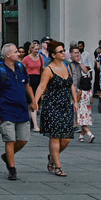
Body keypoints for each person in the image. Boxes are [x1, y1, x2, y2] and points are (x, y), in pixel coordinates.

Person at [0, 44, 34, 180]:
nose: (18, 54)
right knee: (10, 139)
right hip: (6, 110)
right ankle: (12, 169)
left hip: (22, 109)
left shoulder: (21, 67)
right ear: (8, 55)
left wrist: (33, 100)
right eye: (15, 52)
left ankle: (7, 156)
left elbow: (27, 85)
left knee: (23, 139)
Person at [34, 40, 78, 176]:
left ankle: (52, 157)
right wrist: (35, 102)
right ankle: (58, 166)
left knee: (66, 138)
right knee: (55, 137)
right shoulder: (48, 69)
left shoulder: (66, 66)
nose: (63, 53)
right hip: (52, 105)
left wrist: (75, 101)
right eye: (60, 51)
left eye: (63, 50)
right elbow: (41, 87)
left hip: (65, 105)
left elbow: (71, 84)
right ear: (53, 55)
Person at [68, 43, 95, 144]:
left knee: (76, 107)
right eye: (75, 53)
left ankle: (76, 127)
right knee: (72, 106)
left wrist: (79, 61)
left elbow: (86, 71)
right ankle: (73, 125)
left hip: (78, 87)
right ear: (70, 54)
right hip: (71, 87)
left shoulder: (80, 61)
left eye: (78, 53)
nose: (76, 55)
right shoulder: (68, 63)